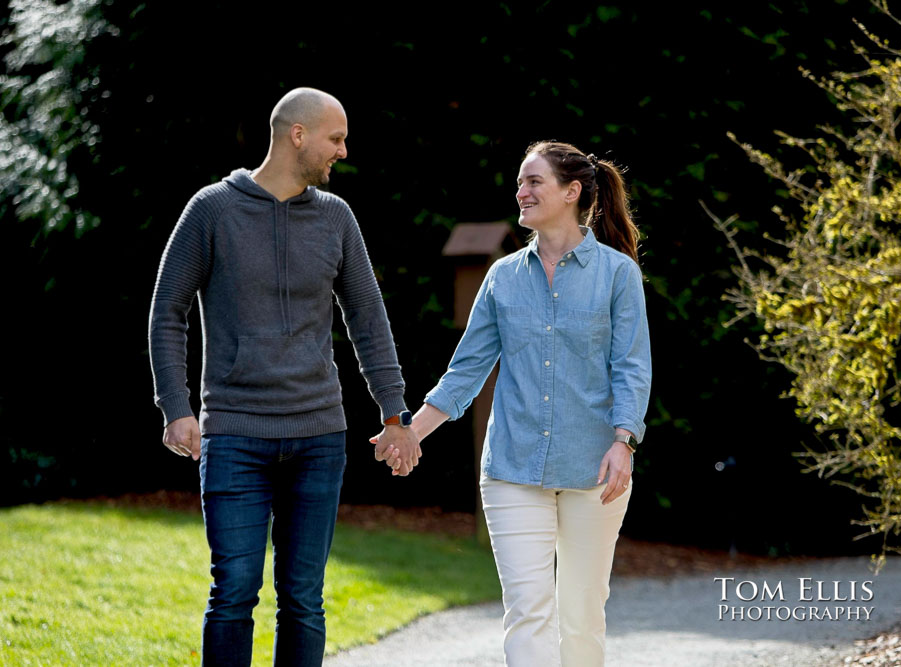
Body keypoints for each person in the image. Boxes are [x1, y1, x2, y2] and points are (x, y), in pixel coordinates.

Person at [148, 87, 420, 667]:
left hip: (318, 437)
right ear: (297, 135)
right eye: (336, 138)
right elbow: (167, 309)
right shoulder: (212, 210)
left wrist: (396, 417)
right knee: (233, 595)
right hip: (236, 436)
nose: (343, 151)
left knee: (303, 601)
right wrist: (176, 406)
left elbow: (368, 319)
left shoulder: (336, 218)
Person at [378, 140, 651, 666]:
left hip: (596, 469)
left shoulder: (618, 275)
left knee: (582, 614)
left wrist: (625, 440)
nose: (521, 192)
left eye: (534, 182)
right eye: (520, 182)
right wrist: (411, 431)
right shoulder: (503, 277)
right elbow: (466, 371)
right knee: (527, 612)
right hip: (511, 469)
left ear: (572, 192)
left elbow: (632, 368)